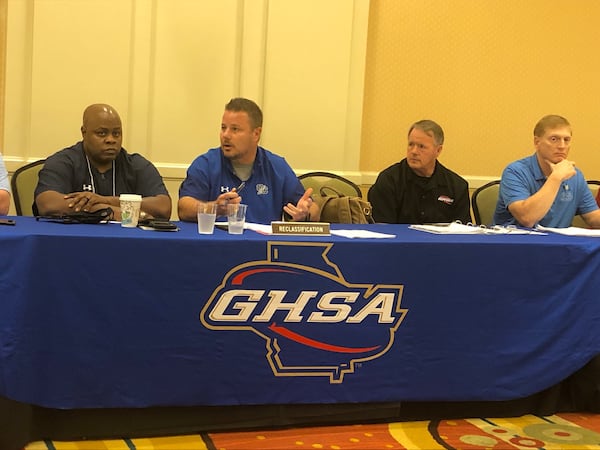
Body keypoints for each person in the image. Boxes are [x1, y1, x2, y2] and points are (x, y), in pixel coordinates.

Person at [178, 97, 319, 224]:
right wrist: (215, 208)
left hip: (262, 250)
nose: (225, 135)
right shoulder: (206, 164)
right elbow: (184, 208)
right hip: (217, 248)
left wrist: (305, 213)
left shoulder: (276, 166)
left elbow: (312, 209)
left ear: (256, 134)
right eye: (223, 128)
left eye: (235, 129)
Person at [35, 104, 171, 220]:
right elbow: (48, 204)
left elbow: (163, 207)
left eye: (116, 133)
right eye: (102, 133)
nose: (111, 140)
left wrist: (105, 200)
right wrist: (115, 212)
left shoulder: (136, 165)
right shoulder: (62, 162)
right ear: (84, 132)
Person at [493, 115, 600, 228]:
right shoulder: (515, 171)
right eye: (554, 139)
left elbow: (593, 218)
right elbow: (527, 219)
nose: (562, 146)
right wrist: (556, 177)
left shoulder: (575, 176)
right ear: (537, 142)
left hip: (558, 243)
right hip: (516, 242)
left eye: (566, 140)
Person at [367, 119, 471, 224]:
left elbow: (463, 232)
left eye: (421, 146)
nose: (414, 151)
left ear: (438, 150)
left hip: (440, 240)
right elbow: (381, 229)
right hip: (400, 240)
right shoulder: (389, 180)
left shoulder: (457, 186)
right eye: (411, 144)